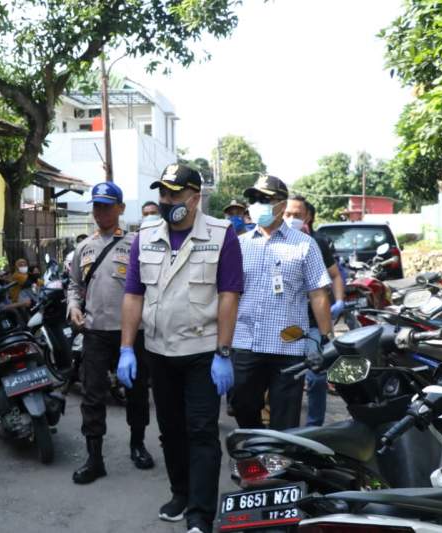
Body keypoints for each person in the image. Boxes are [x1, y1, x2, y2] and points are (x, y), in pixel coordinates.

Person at [120, 163, 243, 533]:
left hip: (203, 353)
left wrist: (223, 352)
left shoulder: (221, 235)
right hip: (159, 350)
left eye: (174, 193)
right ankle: (180, 492)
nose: (167, 200)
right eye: (163, 193)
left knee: (202, 431)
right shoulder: (146, 234)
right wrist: (127, 348)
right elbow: (133, 294)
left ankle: (200, 515)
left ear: (195, 196)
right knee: (170, 430)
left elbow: (228, 295)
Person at [67, 181, 154, 485]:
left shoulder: (135, 244)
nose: (101, 211)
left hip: (131, 333)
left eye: (107, 205)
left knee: (138, 391)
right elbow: (75, 286)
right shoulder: (83, 247)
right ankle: (95, 458)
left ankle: (138, 444)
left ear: (120, 208)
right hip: (95, 333)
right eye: (97, 206)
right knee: (92, 395)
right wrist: (73, 307)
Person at [231, 175, 334, 431]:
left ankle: (278, 466)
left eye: (265, 199)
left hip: (288, 346)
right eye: (254, 199)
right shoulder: (238, 244)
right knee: (242, 406)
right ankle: (253, 456)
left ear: (281, 203)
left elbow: (318, 293)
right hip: (246, 343)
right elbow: (228, 295)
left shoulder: (305, 245)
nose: (258, 204)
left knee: (285, 420)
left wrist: (326, 338)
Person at [283, 195, 345, 426]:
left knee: (317, 377)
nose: (292, 219)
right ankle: (283, 428)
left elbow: (335, 275)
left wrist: (338, 300)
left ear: (307, 216)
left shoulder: (317, 243)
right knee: (286, 379)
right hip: (284, 323)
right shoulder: (271, 241)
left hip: (312, 323)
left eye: (297, 215)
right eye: (287, 214)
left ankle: (313, 427)